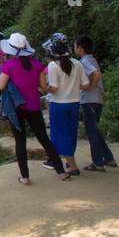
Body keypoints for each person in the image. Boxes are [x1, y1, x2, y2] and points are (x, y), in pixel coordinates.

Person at [0, 33, 67, 184]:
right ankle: (61, 172)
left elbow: (1, 86)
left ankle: (25, 177)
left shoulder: (7, 66)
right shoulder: (37, 64)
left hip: (16, 109)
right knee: (44, 138)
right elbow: (43, 87)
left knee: (20, 141)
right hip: (34, 106)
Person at [44, 36, 89, 177]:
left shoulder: (53, 66)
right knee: (71, 134)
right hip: (74, 103)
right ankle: (68, 163)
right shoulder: (77, 63)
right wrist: (74, 87)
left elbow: (55, 89)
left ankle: (73, 166)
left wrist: (44, 87)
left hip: (58, 105)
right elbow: (86, 84)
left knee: (60, 134)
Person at [74, 35, 116, 170]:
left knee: (91, 132)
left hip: (90, 100)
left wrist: (90, 87)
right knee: (95, 131)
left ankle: (98, 163)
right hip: (96, 100)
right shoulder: (90, 59)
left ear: (80, 47)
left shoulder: (85, 61)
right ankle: (108, 158)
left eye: (75, 45)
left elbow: (97, 74)